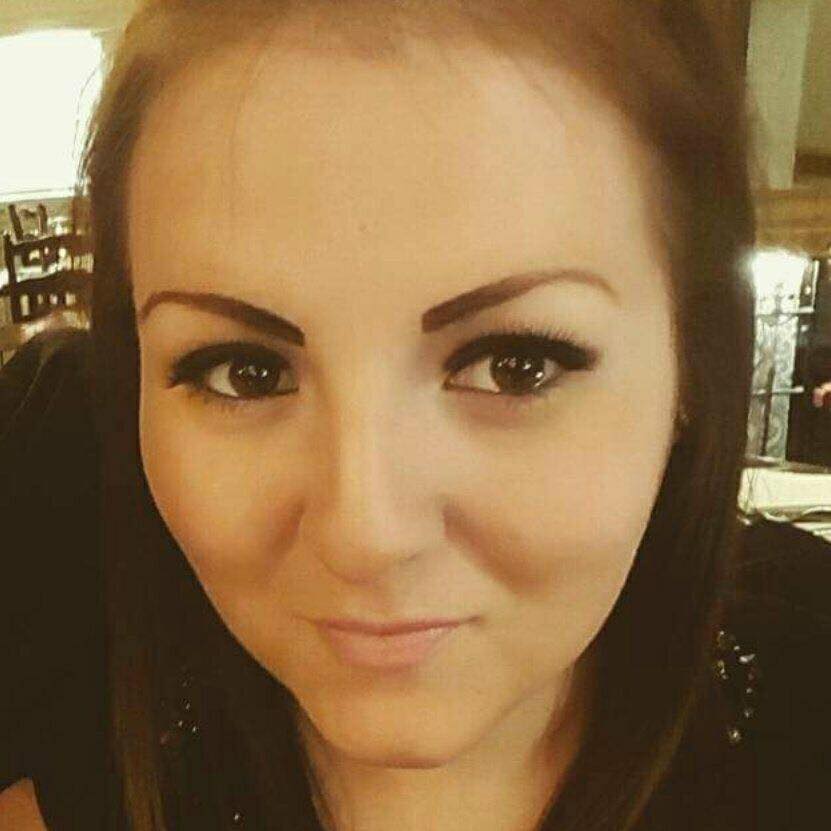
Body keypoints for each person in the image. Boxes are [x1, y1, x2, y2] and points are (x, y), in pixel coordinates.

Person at [1, 1, 830, 829]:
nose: (365, 536)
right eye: (245, 372)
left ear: (692, 366)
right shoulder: (70, 751)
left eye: (515, 364)